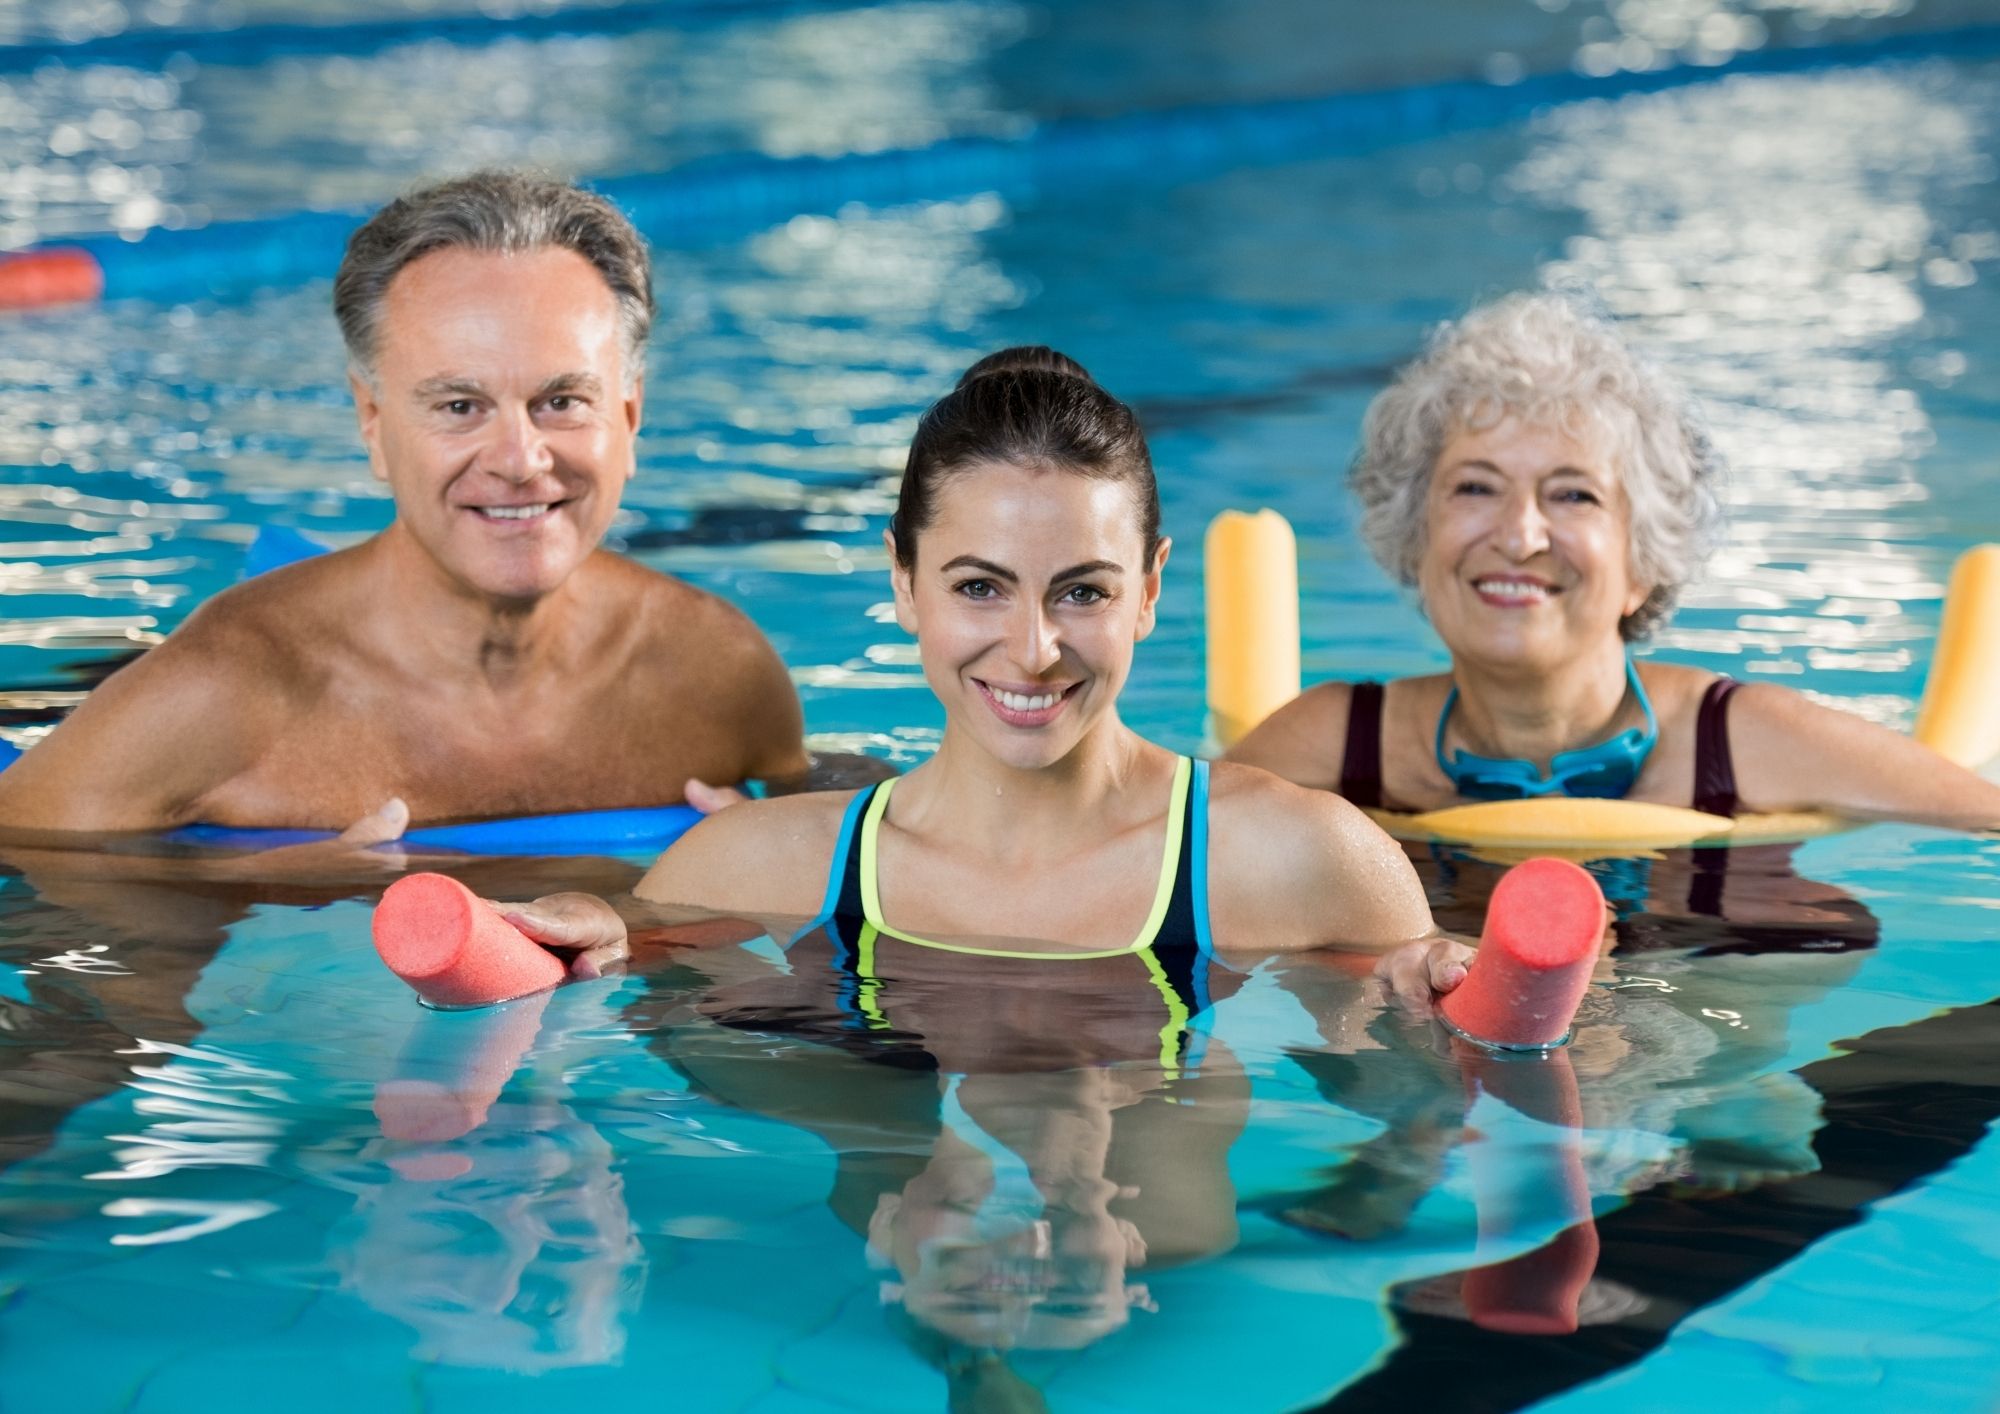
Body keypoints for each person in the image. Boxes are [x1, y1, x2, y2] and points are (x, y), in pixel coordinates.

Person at [507, 346, 1466, 994]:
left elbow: (1403, 1140)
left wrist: (1463, 1023)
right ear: (905, 580)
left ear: (1150, 589)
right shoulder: (757, 865)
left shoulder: (1306, 862)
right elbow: (629, 965)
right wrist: (594, 926)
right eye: (979, 588)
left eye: (1083, 593)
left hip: (1173, 1288)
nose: (1033, 649)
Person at [0, 169, 882, 841]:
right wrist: (245, 876)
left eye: (560, 402)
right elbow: (24, 862)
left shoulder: (716, 673)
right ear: (375, 425)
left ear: (629, 416)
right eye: (460, 407)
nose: (519, 461)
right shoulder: (222, 695)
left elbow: (840, 836)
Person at [1227, 292, 2000, 830]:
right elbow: (1149, 856)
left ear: (1642, 564)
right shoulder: (1337, 744)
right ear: (1414, 536)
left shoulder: (1741, 741)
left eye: (1573, 496)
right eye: (1475, 487)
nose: (1521, 535)